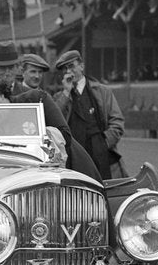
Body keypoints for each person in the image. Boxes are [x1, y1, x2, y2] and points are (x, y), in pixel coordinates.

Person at [53, 49, 126, 179]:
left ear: (82, 66)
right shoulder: (60, 97)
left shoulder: (102, 91)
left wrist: (104, 143)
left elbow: (117, 121)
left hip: (101, 152)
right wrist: (66, 92)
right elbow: (54, 122)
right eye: (64, 69)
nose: (68, 71)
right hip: (74, 155)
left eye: (71, 66)